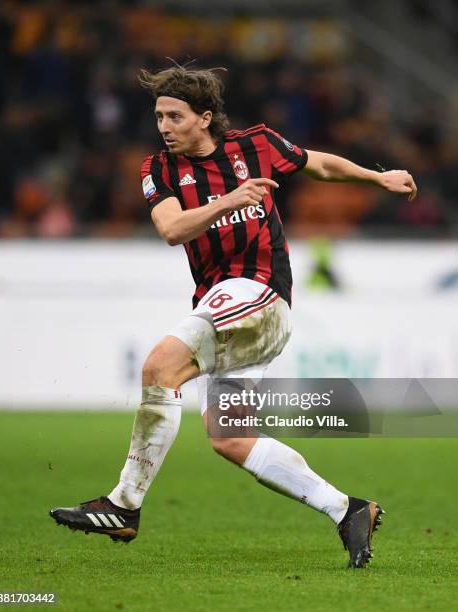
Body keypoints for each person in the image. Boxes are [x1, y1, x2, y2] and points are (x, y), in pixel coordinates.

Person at [50, 63, 417, 568]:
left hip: (260, 294)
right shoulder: (157, 170)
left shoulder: (257, 144)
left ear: (204, 119)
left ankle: (123, 504)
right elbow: (173, 228)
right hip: (225, 304)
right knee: (230, 437)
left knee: (160, 369)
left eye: (175, 116)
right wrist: (229, 201)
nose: (164, 126)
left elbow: (319, 164)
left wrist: (378, 177)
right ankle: (348, 509)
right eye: (159, 116)